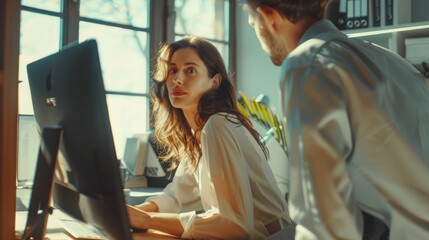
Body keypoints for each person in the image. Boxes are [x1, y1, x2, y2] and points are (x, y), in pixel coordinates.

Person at [244, 0, 429, 239]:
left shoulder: (308, 62)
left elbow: (323, 223)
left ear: (269, 19)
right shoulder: (389, 59)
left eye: (252, 25)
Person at [127, 36, 291, 239]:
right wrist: (130, 213)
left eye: (190, 70)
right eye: (173, 70)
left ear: (214, 82)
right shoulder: (197, 134)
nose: (177, 79)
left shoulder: (219, 124)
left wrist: (147, 220)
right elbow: (175, 197)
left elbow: (234, 226)